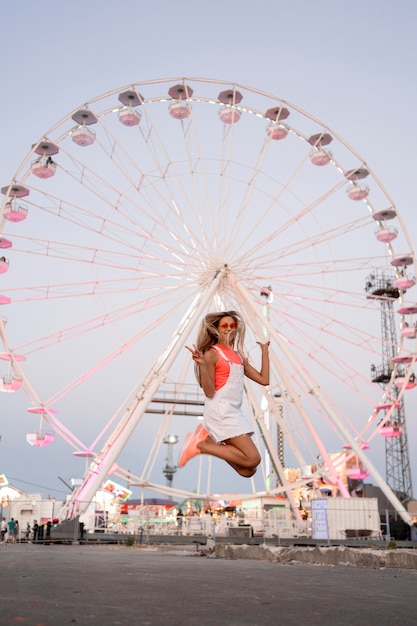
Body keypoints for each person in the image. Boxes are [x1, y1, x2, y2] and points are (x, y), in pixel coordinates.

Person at [180, 310, 270, 477]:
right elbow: (209, 391)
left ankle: (205, 441)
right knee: (253, 459)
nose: (229, 328)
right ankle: (201, 445)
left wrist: (265, 352)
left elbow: (264, 380)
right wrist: (202, 365)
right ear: (216, 329)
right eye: (224, 325)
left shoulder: (239, 356)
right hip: (221, 412)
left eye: (232, 325)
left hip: (234, 411)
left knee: (248, 470)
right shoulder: (212, 354)